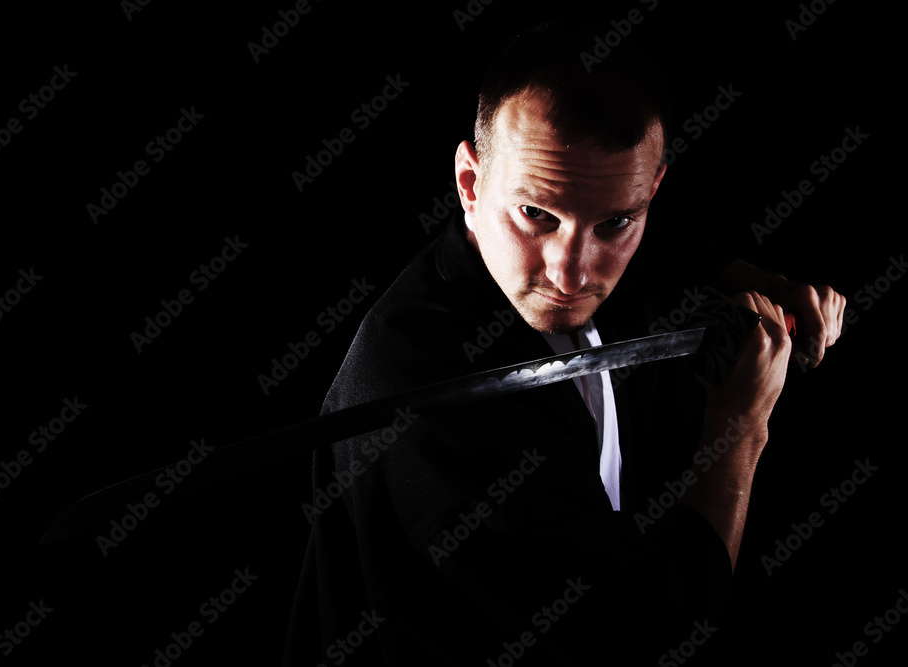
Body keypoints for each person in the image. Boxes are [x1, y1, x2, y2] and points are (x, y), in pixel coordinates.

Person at [283, 21, 846, 665]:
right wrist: (741, 428)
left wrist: (757, 280)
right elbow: (651, 639)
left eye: (615, 223)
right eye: (536, 215)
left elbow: (659, 240)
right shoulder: (430, 403)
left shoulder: (598, 228)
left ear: (650, 193)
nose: (572, 274)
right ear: (469, 184)